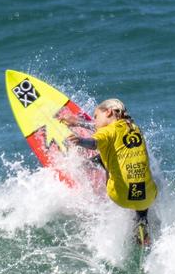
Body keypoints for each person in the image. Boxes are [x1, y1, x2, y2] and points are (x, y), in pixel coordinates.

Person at [63, 99, 157, 246]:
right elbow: (107, 130)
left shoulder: (107, 132)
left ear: (108, 112)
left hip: (119, 195)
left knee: (104, 153)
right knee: (138, 170)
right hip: (149, 197)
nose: (94, 120)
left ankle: (86, 165)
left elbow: (94, 143)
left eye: (95, 116)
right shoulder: (134, 127)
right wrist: (78, 122)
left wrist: (80, 140)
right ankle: (142, 221)